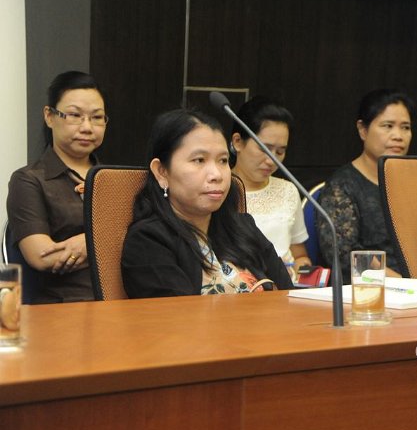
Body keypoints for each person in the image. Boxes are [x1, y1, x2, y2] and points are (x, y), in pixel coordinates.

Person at [121, 109, 292, 298]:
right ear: (162, 172)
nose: (217, 175)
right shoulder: (148, 241)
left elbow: (289, 295)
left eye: (223, 160)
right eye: (199, 160)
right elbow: (178, 314)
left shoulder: (243, 227)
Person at [7, 71, 108, 303]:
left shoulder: (115, 179)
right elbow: (42, 256)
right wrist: (107, 243)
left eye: (97, 117)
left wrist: (89, 243)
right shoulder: (29, 180)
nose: (87, 127)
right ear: (50, 116)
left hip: (125, 302)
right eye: (75, 115)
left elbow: (143, 245)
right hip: (65, 305)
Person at [316, 89, 414, 283]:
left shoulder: (416, 182)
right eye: (388, 126)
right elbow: (345, 258)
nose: (398, 136)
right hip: (369, 289)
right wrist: (406, 283)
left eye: (405, 127)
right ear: (363, 130)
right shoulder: (341, 186)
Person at [230, 97, 311, 282]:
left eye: (280, 152)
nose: (272, 160)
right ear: (238, 141)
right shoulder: (217, 190)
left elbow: (299, 255)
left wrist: (303, 270)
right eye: (264, 149)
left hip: (285, 288)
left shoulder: (288, 190)